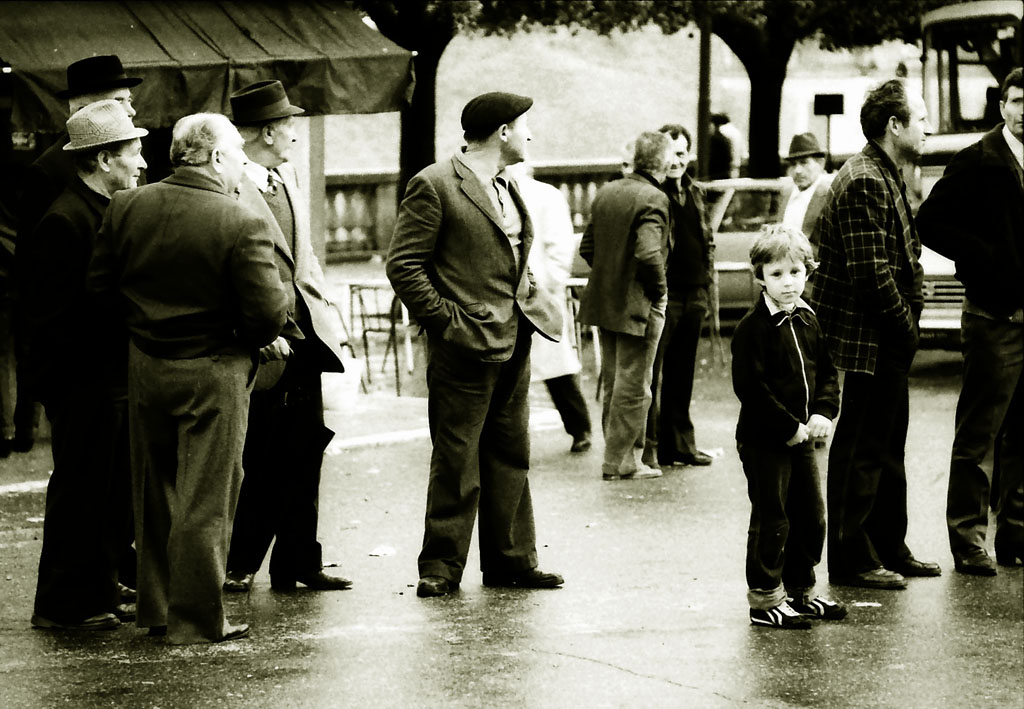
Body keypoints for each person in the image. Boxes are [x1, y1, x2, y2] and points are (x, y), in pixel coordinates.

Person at [86, 113, 288, 643]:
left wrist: (145, 327)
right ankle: (198, 619)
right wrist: (241, 335)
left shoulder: (126, 206)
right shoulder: (240, 220)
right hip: (215, 368)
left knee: (154, 494)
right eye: (238, 155)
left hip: (147, 365)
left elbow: (100, 289)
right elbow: (267, 314)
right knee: (209, 496)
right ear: (216, 158)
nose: (242, 167)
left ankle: (157, 609)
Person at [386, 92, 564, 598]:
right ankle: (440, 566)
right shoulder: (435, 183)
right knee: (456, 457)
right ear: (503, 132)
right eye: (524, 126)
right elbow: (404, 265)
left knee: (511, 453)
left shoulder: (508, 184)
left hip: (514, 336)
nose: (530, 134)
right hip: (464, 345)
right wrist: (447, 321)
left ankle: (511, 560)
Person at [810, 79, 941, 590]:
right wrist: (907, 328)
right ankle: (850, 558)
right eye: (921, 116)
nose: (927, 125)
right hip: (872, 340)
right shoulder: (866, 177)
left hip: (883, 337)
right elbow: (871, 274)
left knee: (887, 448)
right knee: (863, 448)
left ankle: (888, 545)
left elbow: (899, 259)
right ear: (895, 125)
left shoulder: (881, 170)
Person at [23, 100, 147, 631]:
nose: (141, 163)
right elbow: (54, 318)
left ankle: (97, 588)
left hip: (107, 379)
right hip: (84, 383)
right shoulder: (66, 220)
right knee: (81, 490)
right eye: (132, 152)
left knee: (109, 490)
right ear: (102, 160)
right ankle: (59, 604)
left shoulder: (100, 211)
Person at [223, 80, 351, 593]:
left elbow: (306, 255)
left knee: (307, 446)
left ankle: (300, 560)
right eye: (288, 125)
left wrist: (326, 314)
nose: (294, 133)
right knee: (260, 453)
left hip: (304, 338)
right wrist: (253, 331)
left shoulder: (287, 174)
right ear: (269, 131)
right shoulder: (231, 183)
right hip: (264, 338)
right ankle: (240, 561)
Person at [917, 68, 1024, 574]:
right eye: (1019, 100)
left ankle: (1017, 537)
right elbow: (931, 222)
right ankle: (968, 541)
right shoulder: (977, 160)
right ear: (1002, 105)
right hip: (993, 316)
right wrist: (983, 257)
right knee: (980, 432)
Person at [11, 54, 141, 457]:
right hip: (82, 372)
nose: (131, 108)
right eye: (120, 100)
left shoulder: (124, 158)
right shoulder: (51, 173)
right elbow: (40, 280)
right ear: (86, 108)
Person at [732, 225, 844, 629]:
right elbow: (750, 387)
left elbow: (828, 373)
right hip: (765, 440)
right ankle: (765, 600)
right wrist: (787, 425)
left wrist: (823, 414)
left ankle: (800, 591)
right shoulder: (753, 328)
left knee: (811, 515)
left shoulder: (809, 319)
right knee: (772, 517)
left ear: (807, 272)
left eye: (795, 272)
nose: (787, 282)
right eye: (776, 274)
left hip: (801, 438)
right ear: (759, 276)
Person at [577, 131, 672, 481]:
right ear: (661, 162)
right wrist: (659, 291)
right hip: (639, 304)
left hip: (604, 300)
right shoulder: (654, 198)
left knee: (615, 381)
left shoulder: (607, 192)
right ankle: (623, 461)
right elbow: (648, 252)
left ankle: (613, 456)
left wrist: (610, 274)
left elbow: (587, 248)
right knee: (635, 385)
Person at [506, 162, 593, 454]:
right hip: (518, 290)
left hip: (538, 290)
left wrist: (551, 280)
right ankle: (577, 427)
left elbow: (560, 245)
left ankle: (579, 426)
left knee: (556, 366)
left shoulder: (544, 195)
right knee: (541, 365)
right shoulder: (507, 191)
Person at [643, 124, 714, 470]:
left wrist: (707, 283)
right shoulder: (652, 193)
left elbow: (706, 239)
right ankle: (652, 447)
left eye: (683, 153)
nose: (677, 161)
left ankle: (682, 446)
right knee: (652, 375)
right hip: (665, 295)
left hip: (695, 292)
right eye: (671, 153)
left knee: (682, 374)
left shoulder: (695, 191)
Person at [780, 132, 832, 254]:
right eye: (793, 164)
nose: (797, 170)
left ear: (820, 163)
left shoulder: (830, 194)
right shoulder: (786, 194)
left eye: (804, 162)